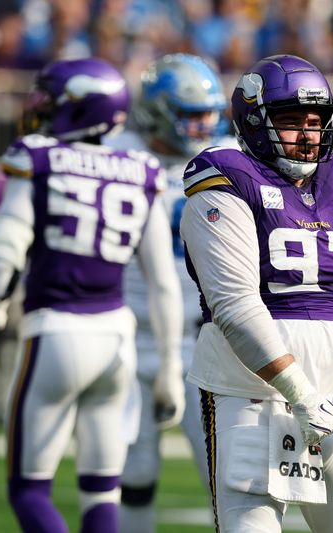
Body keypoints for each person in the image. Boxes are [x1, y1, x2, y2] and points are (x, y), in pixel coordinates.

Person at [179, 54, 333, 532]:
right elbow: (234, 305)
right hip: (248, 393)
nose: (309, 133)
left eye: (316, 121)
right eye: (291, 120)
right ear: (254, 121)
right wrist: (297, 391)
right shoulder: (223, 177)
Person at [0, 57, 183, 533]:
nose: (39, 111)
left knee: (29, 490)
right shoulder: (139, 170)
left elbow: (3, 257)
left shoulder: (37, 158)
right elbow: (163, 281)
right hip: (116, 340)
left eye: (49, 102)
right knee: (102, 493)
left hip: (55, 331)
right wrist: (168, 369)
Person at [103, 52, 238, 533]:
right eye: (189, 113)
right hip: (129, 333)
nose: (202, 124)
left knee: (227, 477)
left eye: (207, 112)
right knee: (131, 474)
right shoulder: (117, 153)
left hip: (206, 338)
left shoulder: (226, 157)